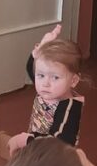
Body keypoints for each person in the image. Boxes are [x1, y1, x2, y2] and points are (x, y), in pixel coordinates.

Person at [6, 25, 84, 156]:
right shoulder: (49, 90)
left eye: (55, 77)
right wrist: (39, 50)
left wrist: (24, 140)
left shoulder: (70, 108)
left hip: (55, 161)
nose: (45, 83)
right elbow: (32, 67)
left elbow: (57, 143)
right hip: (37, 151)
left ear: (74, 80)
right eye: (41, 75)